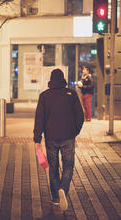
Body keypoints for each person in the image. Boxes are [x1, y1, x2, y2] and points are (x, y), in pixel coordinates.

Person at [34, 68, 84, 211]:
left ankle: (56, 198)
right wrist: (75, 131)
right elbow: (80, 116)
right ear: (63, 79)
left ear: (51, 79)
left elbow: (39, 118)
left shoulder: (44, 96)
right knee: (68, 165)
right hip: (68, 136)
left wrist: (37, 138)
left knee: (53, 167)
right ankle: (63, 188)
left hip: (51, 138)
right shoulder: (71, 94)